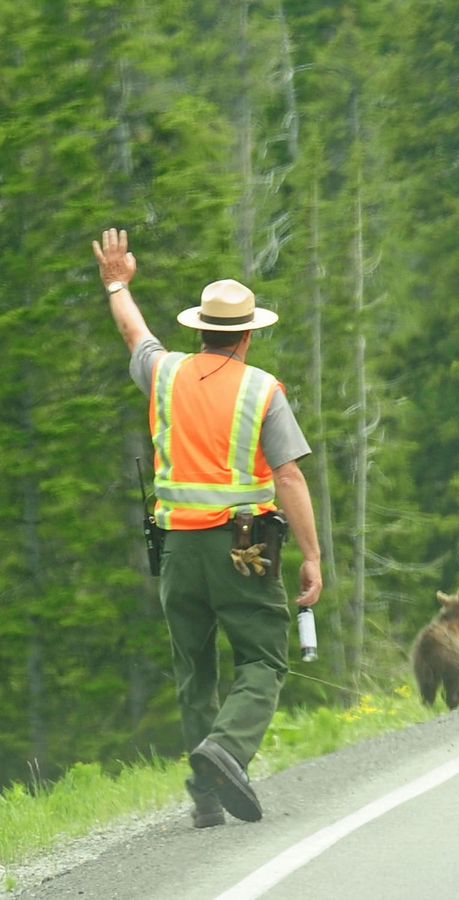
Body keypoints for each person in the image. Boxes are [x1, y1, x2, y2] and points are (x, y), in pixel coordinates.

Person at [92, 228, 323, 827]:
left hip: (177, 552)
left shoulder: (164, 374)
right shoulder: (261, 390)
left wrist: (117, 282)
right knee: (265, 659)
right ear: (248, 334)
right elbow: (290, 478)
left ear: (200, 330)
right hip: (242, 551)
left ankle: (207, 796)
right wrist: (314, 558)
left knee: (195, 666)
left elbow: (132, 332)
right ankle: (227, 751)